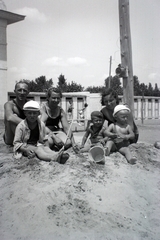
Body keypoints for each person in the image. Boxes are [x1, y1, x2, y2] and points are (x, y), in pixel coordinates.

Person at [40, 87, 79, 153]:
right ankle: (52, 148)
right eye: (53, 98)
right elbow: (41, 125)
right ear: (48, 98)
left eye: (58, 98)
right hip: (44, 132)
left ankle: (56, 146)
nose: (56, 100)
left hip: (56, 131)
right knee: (49, 142)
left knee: (68, 143)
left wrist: (73, 142)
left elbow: (67, 128)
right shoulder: (42, 108)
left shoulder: (60, 110)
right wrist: (54, 137)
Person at [4, 80, 30, 145]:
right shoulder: (9, 104)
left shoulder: (29, 104)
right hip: (10, 138)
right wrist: (29, 124)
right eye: (19, 90)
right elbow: (10, 117)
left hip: (25, 134)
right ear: (15, 91)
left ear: (28, 93)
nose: (22, 93)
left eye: (24, 90)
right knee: (14, 116)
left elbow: (41, 115)